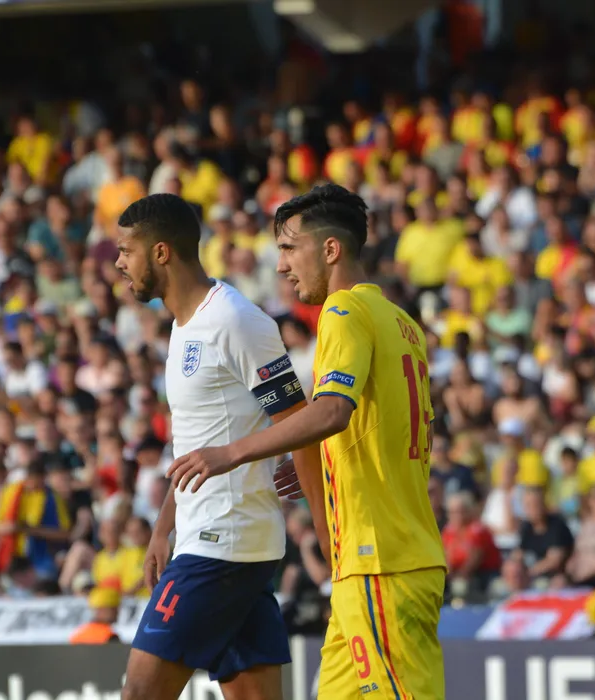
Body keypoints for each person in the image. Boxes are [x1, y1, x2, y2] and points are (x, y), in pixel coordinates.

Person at [167, 184, 447, 699]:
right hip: (379, 558)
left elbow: (333, 410)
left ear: (330, 249)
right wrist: (329, 459)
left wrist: (230, 453)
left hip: (380, 559)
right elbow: (380, 423)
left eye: (289, 248)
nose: (281, 265)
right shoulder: (403, 323)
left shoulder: (343, 311)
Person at [114, 193, 326, 700]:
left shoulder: (235, 320)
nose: (119, 263)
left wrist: (329, 543)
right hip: (214, 538)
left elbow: (300, 422)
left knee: (140, 694)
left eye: (126, 250)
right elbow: (199, 441)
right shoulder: (183, 324)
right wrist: (164, 527)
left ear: (161, 252)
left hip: (224, 543)